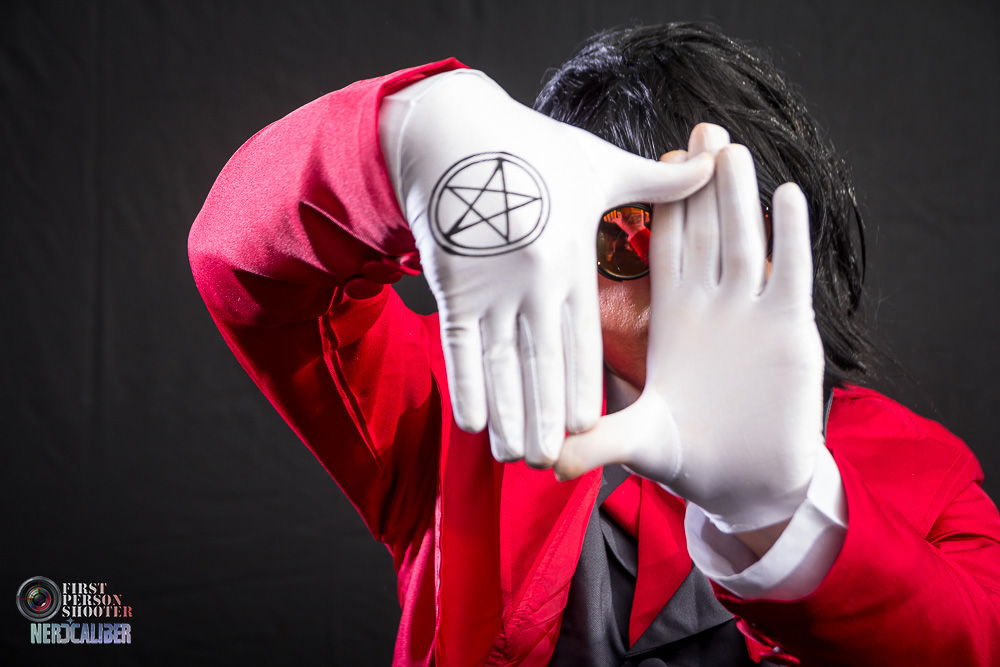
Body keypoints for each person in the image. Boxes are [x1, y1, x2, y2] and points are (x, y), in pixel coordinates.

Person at [188, 22, 1000, 666]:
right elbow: (243, 265)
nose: (679, 271)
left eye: (717, 225)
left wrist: (788, 516)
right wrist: (407, 137)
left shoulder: (929, 475)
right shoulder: (468, 401)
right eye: (626, 235)